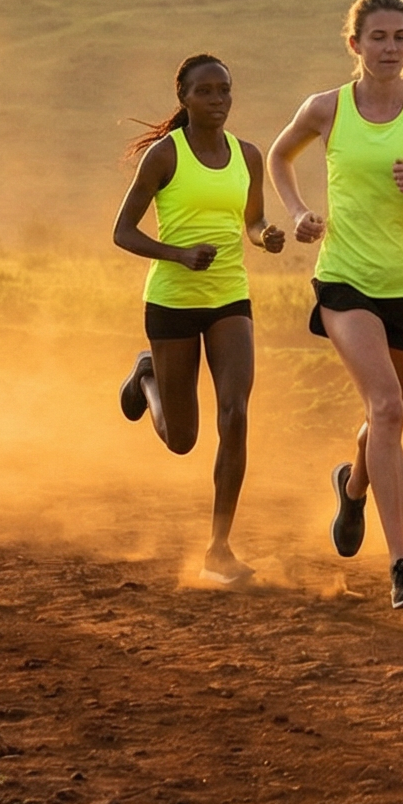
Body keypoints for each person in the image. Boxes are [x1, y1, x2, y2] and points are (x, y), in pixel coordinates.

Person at [270, 0, 403, 609]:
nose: (390, 48)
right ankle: (402, 566)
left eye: (399, 37)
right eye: (378, 38)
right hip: (345, 279)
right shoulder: (326, 109)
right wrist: (300, 211)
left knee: (385, 418)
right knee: (386, 406)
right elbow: (280, 158)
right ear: (355, 44)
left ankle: (354, 483)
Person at [110, 54, 282, 587]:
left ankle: (219, 546)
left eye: (224, 91)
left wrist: (265, 237)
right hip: (172, 300)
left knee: (235, 414)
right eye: (205, 92)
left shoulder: (247, 156)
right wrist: (178, 254)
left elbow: (251, 222)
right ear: (183, 97)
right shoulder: (165, 156)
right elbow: (123, 232)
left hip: (230, 297)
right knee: (182, 438)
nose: (218, 101)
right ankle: (147, 376)